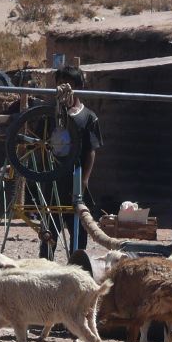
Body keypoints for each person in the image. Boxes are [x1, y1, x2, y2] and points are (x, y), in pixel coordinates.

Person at [48, 65, 102, 256]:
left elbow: (91, 151)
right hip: (53, 181)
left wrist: (85, 179)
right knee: (48, 233)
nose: (63, 88)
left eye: (68, 84)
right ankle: (45, 270)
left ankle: (75, 271)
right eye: (59, 84)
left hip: (76, 180)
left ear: (78, 87)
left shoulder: (88, 117)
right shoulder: (49, 115)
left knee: (78, 234)